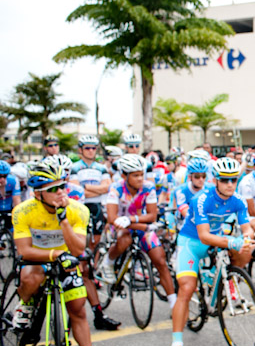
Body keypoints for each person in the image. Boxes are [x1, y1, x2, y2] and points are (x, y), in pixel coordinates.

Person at [11, 158, 119, 346]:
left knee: (78, 308)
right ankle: (25, 303)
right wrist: (55, 254)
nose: (61, 192)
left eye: (63, 186)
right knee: (31, 278)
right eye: (53, 189)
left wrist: (64, 220)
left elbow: (78, 248)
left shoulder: (78, 210)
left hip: (67, 259)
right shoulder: (23, 211)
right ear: (37, 194)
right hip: (37, 257)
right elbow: (23, 250)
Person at [171, 157, 254, 346]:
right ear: (215, 180)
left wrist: (247, 237)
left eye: (233, 180)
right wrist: (233, 241)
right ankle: (176, 345)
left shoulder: (238, 200)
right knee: (187, 288)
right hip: (192, 243)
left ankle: (221, 288)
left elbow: (246, 227)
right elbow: (205, 235)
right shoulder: (201, 199)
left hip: (215, 242)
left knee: (244, 253)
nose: (230, 185)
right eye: (225, 180)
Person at [99, 154, 177, 311]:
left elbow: (152, 215)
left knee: (160, 260)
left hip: (137, 223)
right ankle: (108, 262)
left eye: (141, 174)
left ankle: (174, 303)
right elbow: (113, 218)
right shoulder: (116, 188)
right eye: (135, 176)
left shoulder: (148, 187)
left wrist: (132, 220)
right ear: (124, 176)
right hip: (121, 226)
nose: (140, 179)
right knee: (125, 239)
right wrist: (137, 224)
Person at [69, 135, 120, 331]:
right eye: (87, 148)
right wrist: (95, 190)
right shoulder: (75, 167)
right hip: (79, 208)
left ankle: (98, 313)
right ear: (81, 150)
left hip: (96, 209)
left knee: (89, 257)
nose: (90, 151)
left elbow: (106, 188)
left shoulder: (100, 168)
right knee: (79, 262)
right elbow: (77, 192)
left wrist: (87, 188)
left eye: (93, 148)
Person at [171, 157, 212, 222]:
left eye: (203, 176)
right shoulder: (181, 190)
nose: (201, 179)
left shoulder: (211, 188)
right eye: (197, 176)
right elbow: (186, 214)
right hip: (185, 223)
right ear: (190, 177)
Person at [0, 160, 21, 228]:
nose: (2, 179)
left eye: (5, 176)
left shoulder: (13, 180)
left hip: (9, 208)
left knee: (13, 228)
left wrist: (18, 214)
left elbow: (17, 199)